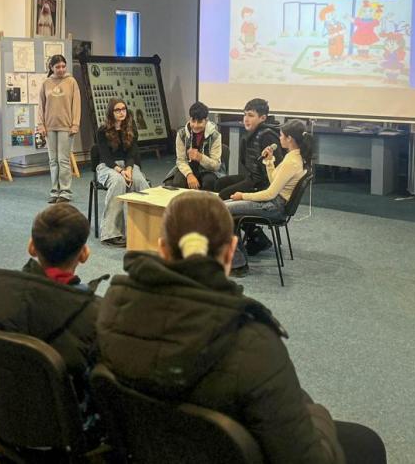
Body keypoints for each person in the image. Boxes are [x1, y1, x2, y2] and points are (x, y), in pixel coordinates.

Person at [96, 191, 386, 464]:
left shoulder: (112, 308)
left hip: (149, 450)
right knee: (366, 442)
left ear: (162, 248)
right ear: (230, 251)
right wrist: (316, 412)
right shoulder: (253, 344)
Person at [0, 204, 106, 436]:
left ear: (31, 247)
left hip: (2, 417)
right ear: (84, 254)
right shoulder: (95, 314)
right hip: (66, 431)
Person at [226, 119, 312, 274]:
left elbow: (270, 193)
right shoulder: (294, 157)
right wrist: (269, 161)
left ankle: (238, 263)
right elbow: (275, 181)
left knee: (223, 210)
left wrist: (243, 195)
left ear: (289, 139)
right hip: (276, 203)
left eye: (281, 135)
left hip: (274, 206)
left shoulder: (291, 161)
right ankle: (236, 258)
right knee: (226, 209)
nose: (279, 138)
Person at [214, 98, 281, 261]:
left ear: (263, 118)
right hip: (253, 177)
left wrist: (253, 182)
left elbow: (275, 168)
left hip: (263, 183)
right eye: (245, 115)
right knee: (220, 183)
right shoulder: (252, 133)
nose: (246, 119)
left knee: (223, 195)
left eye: (251, 115)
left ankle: (243, 240)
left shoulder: (268, 136)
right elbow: (246, 161)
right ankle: (255, 234)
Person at [95, 98, 150, 247]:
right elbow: (105, 157)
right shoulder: (102, 131)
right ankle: (110, 234)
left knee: (140, 182)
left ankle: (147, 228)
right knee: (118, 182)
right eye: (117, 110)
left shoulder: (131, 129)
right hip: (108, 166)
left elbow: (132, 153)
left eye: (123, 109)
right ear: (111, 112)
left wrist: (129, 169)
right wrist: (120, 171)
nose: (121, 112)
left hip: (128, 165)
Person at [36, 54, 81, 204]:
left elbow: (76, 104)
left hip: (66, 127)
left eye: (63, 66)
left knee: (63, 160)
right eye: (57, 67)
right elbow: (41, 106)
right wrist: (41, 125)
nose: (61, 69)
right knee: (53, 161)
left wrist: (75, 124)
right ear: (51, 67)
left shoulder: (71, 82)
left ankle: (65, 192)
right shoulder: (46, 83)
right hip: (49, 127)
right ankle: (55, 191)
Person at [164, 101, 224, 191]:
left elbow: (216, 166)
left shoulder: (215, 136)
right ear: (190, 119)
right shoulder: (181, 134)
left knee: (209, 182)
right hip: (188, 166)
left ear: (206, 121)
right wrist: (189, 174)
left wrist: (200, 157)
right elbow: (181, 160)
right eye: (193, 121)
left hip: (208, 170)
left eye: (199, 122)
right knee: (178, 183)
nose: (195, 125)